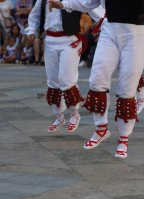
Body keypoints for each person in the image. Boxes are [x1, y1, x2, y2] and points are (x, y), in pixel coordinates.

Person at [48, 0, 144, 159]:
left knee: (126, 87)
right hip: (110, 29)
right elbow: (88, 2)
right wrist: (63, 4)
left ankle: (124, 138)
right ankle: (101, 128)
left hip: (137, 33)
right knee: (97, 79)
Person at [26, 0, 101, 134]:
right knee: (53, 81)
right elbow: (35, 14)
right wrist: (31, 30)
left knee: (67, 80)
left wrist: (109, 22)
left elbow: (92, 7)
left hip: (70, 40)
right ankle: (59, 117)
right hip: (49, 41)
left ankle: (74, 114)